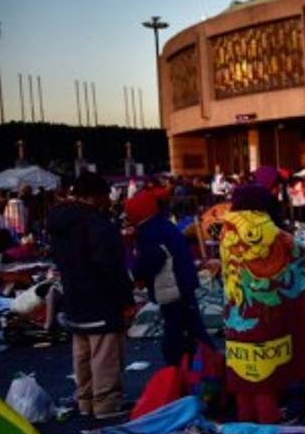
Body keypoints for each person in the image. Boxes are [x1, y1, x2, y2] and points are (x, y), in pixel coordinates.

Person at [219, 187, 305, 422]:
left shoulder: (227, 233)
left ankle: (245, 422)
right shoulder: (277, 236)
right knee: (265, 381)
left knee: (243, 376)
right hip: (269, 316)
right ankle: (270, 426)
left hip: (237, 314)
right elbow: (300, 272)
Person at [48, 172, 133, 418]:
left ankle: (85, 401)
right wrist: (125, 299)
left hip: (74, 298)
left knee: (82, 354)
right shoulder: (97, 225)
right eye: (105, 195)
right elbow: (110, 267)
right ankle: (106, 403)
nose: (109, 199)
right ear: (95, 197)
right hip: (101, 300)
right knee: (104, 355)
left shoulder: (59, 224)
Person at [126, 188, 216, 368]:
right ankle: (210, 361)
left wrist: (137, 274)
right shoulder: (163, 224)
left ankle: (176, 368)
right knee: (192, 325)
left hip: (171, 285)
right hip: (184, 281)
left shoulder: (148, 231)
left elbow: (152, 259)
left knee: (175, 328)